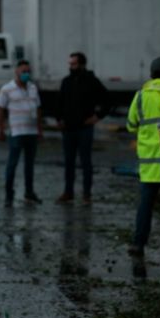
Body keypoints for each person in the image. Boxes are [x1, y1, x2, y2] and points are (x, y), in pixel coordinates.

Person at [126, 57, 160, 258]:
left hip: (150, 163)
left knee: (145, 206)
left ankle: (138, 244)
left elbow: (131, 125)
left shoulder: (142, 96)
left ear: (151, 73)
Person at [55, 52, 109, 205]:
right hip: (68, 129)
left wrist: (97, 116)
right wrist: (59, 119)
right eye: (70, 64)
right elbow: (60, 102)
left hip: (84, 128)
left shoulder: (91, 81)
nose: (71, 67)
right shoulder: (66, 81)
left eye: (74, 64)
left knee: (85, 162)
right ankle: (68, 192)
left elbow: (107, 99)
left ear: (82, 65)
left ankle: (86, 194)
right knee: (69, 162)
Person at [0, 60, 43, 207]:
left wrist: (40, 129)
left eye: (28, 71)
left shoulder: (33, 88)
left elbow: (38, 109)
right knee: (12, 164)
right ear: (16, 72)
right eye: (23, 71)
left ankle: (29, 193)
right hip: (17, 132)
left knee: (30, 165)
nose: (26, 74)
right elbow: (0, 109)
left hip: (31, 132)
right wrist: (1, 129)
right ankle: (9, 195)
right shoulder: (7, 89)